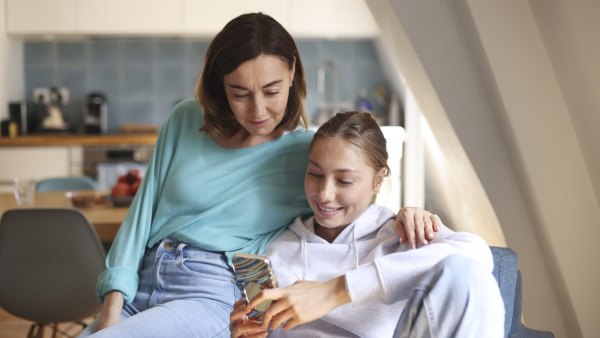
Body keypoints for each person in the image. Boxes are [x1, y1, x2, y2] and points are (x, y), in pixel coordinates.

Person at [80, 13, 440, 338]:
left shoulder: (306, 155)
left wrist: (407, 214)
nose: (257, 111)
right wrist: (111, 310)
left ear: (292, 73)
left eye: (272, 91)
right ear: (220, 85)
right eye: (240, 94)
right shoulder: (185, 120)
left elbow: (355, 195)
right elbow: (138, 223)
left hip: (211, 293)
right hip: (142, 281)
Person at [230, 111, 505, 338]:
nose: (324, 194)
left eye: (344, 180)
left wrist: (337, 290)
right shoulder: (278, 251)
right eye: (315, 174)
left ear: (377, 180)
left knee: (467, 275)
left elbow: (477, 255)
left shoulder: (403, 235)